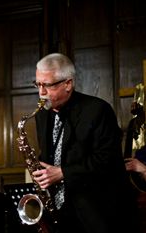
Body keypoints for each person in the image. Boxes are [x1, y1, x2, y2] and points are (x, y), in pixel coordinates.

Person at [30, 53, 139, 233]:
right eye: (38, 84)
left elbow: (108, 161)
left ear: (68, 84)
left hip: (97, 212)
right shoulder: (43, 114)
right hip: (62, 211)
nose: (41, 93)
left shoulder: (97, 110)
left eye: (47, 85)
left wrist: (63, 172)